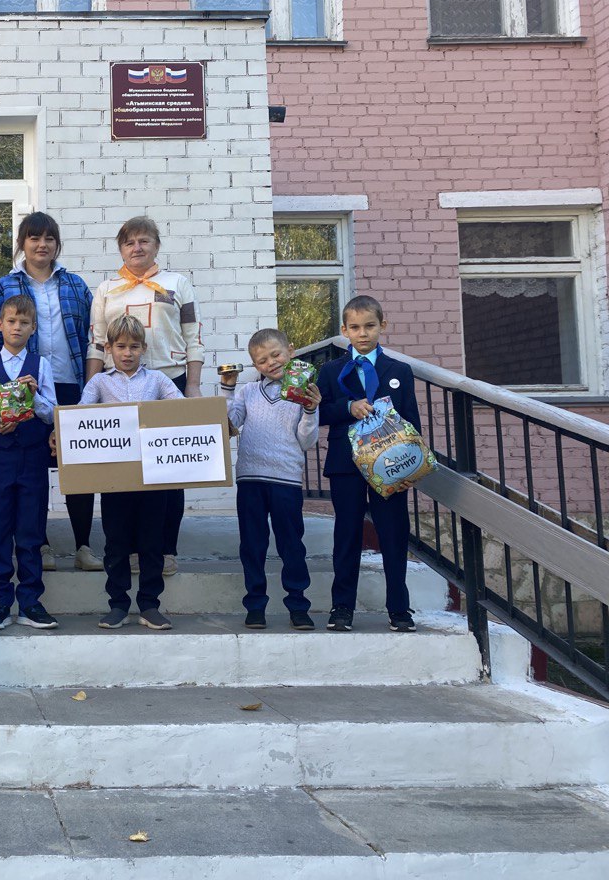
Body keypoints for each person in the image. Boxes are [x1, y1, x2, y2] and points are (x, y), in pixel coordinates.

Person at [88, 216, 204, 576]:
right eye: (129, 242)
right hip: (116, 386)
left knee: (170, 470)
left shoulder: (177, 283)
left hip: (167, 381)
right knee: (124, 471)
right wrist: (86, 402)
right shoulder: (106, 289)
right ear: (120, 248)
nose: (136, 248)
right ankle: (133, 549)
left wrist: (193, 386)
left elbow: (193, 338)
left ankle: (166, 549)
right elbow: (95, 343)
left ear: (156, 245)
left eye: (144, 241)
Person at [0, 213, 94, 573]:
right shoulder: (3, 287)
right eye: (33, 238)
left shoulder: (76, 285)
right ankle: (39, 543)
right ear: (22, 243)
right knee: (32, 468)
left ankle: (84, 545)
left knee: (78, 465)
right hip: (21, 388)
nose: (41, 244)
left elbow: (94, 336)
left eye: (48, 238)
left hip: (71, 384)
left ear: (56, 244)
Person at [317, 295, 421, 633]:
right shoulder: (331, 371)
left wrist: (409, 463)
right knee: (347, 533)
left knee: (393, 533)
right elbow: (318, 411)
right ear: (344, 330)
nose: (363, 333)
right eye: (356, 327)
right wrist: (348, 407)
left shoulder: (399, 371)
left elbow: (411, 420)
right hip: (346, 463)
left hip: (389, 463)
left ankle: (399, 609)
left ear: (382, 326)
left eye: (370, 326)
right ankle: (342, 608)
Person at [77, 315, 181, 630]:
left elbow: (182, 411)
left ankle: (149, 605)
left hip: (153, 476)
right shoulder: (99, 382)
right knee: (116, 542)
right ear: (108, 348)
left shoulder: (158, 381)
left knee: (152, 542)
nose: (127, 353)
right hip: (114, 480)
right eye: (120, 346)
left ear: (144, 348)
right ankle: (118, 604)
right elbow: (79, 417)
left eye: (134, 346)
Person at [0, 294, 58, 630]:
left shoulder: (41, 366)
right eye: (11, 321)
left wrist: (38, 397)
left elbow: (51, 415)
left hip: (32, 457)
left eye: (24, 323)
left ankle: (31, 602)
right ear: (0, 325)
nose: (17, 327)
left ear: (33, 328)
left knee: (31, 530)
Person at [220, 328, 321, 631]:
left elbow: (307, 441)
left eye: (276, 354)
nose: (271, 363)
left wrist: (310, 410)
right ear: (255, 366)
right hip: (250, 478)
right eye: (262, 360)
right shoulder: (247, 392)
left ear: (291, 350)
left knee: (292, 544)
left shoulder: (303, 391)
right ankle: (255, 604)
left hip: (286, 479)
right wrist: (227, 389)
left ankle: (298, 605)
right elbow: (229, 424)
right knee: (252, 544)